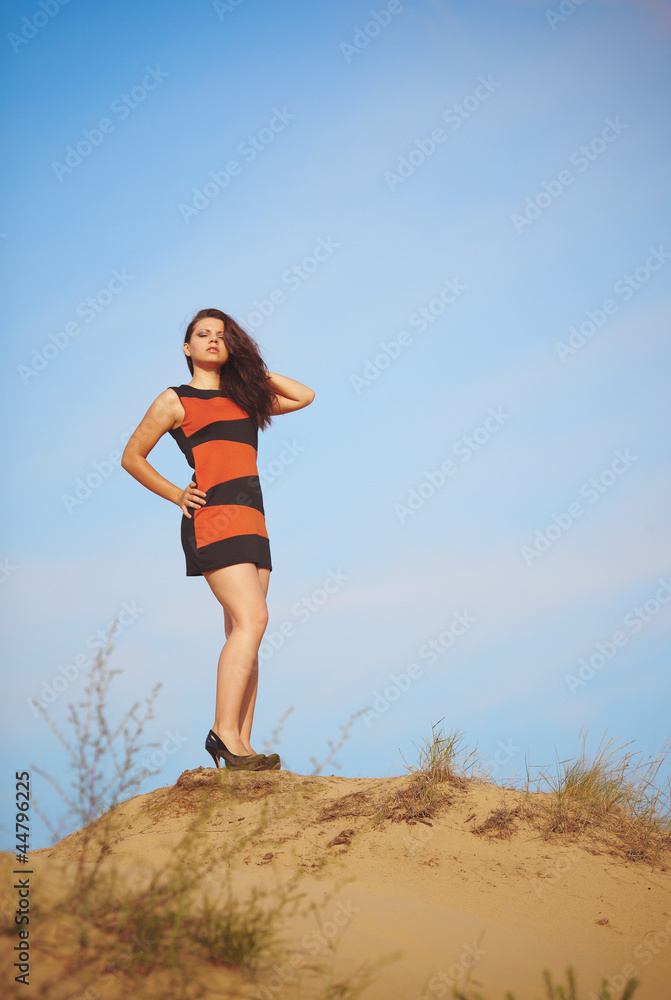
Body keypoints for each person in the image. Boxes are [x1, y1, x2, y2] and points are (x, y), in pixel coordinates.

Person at [121, 308, 315, 772]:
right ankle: (222, 733)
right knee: (254, 618)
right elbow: (132, 456)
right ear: (186, 348)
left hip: (253, 520)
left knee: (243, 631)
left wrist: (248, 369)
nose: (212, 340)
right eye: (202, 335)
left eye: (222, 336)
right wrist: (175, 494)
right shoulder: (175, 399)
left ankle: (242, 745)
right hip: (214, 518)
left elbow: (304, 395)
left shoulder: (245, 398)